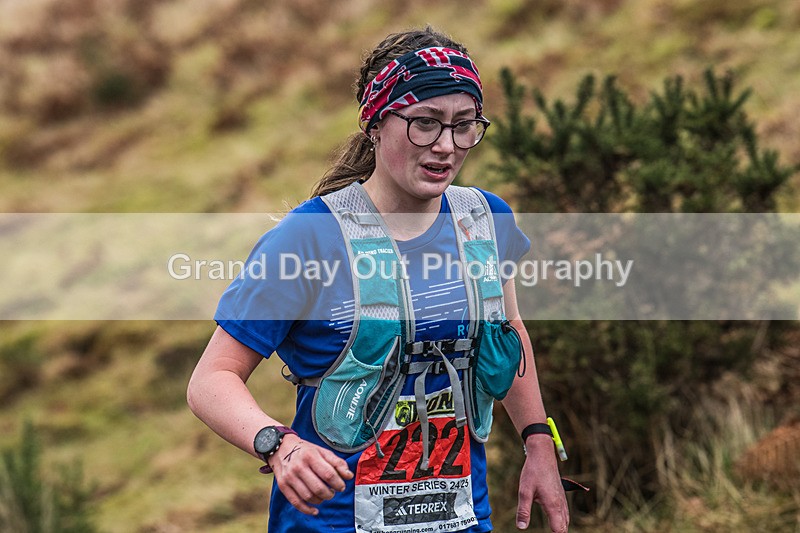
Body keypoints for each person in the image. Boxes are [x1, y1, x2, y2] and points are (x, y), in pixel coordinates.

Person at [187, 27, 569, 533]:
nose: (446, 146)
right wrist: (279, 445)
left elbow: (509, 331)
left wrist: (538, 442)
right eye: (424, 123)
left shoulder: (485, 221)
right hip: (331, 522)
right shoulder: (309, 238)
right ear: (375, 123)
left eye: (463, 125)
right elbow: (211, 379)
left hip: (460, 519)